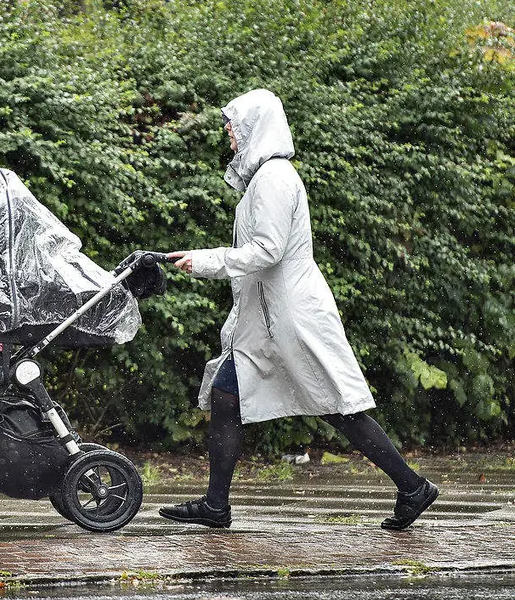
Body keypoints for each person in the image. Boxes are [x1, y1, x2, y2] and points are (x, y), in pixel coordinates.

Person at [159, 88, 439, 531]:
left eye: (234, 123)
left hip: (291, 317)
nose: (228, 131)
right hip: (267, 319)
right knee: (227, 394)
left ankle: (412, 487)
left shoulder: (273, 177)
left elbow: (267, 251)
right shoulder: (264, 177)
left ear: (254, 127)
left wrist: (206, 260)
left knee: (338, 407)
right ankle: (216, 505)